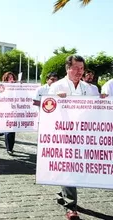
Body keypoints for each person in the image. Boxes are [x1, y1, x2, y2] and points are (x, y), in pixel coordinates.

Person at [48, 55, 101, 220]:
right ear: (67, 68)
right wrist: (56, 101)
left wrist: (105, 102)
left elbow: (98, 112)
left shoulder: (91, 89)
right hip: (64, 135)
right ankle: (71, 207)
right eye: (76, 68)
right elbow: (49, 112)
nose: (79, 72)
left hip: (85, 136)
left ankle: (62, 193)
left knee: (79, 170)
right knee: (69, 168)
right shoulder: (56, 87)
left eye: (82, 68)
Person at [1, 72, 17, 155]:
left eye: (12, 77)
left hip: (14, 110)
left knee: (13, 130)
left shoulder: (15, 86)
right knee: (8, 130)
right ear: (6, 79)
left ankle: (11, 147)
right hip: (6, 110)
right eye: (9, 78)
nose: (11, 79)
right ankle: (8, 148)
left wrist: (18, 85)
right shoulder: (2, 87)